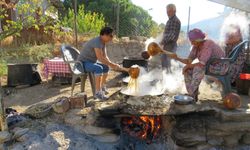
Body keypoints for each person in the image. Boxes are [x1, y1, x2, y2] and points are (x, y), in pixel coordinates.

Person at [172, 29, 225, 101]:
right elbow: (188, 61)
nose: (191, 43)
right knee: (188, 70)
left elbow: (202, 63)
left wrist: (188, 66)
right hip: (209, 66)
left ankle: (191, 94)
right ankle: (193, 94)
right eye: (191, 41)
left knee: (198, 68)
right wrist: (177, 58)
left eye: (193, 41)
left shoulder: (208, 44)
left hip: (220, 66)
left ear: (199, 39)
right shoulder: (196, 46)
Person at [78, 27, 127, 100]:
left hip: (91, 62)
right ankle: (98, 93)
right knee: (99, 68)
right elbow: (100, 58)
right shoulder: (97, 42)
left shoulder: (103, 42)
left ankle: (102, 87)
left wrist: (112, 64)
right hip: (82, 63)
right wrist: (112, 65)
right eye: (111, 36)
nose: (112, 38)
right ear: (104, 34)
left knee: (106, 67)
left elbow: (105, 56)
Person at [160, 3, 181, 72]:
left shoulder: (174, 20)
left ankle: (168, 79)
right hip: (168, 44)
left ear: (174, 11)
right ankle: (166, 78)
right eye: (167, 11)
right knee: (164, 61)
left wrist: (162, 42)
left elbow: (171, 35)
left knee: (167, 63)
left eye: (169, 11)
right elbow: (166, 34)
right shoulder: (170, 20)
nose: (167, 13)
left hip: (170, 44)